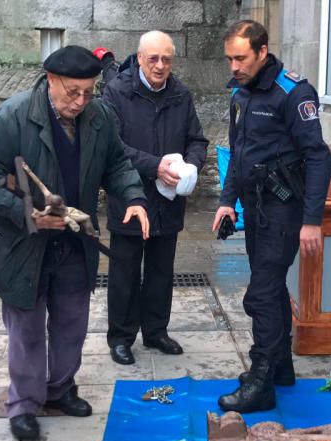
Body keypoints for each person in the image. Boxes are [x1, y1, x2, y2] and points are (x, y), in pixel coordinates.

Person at [0, 45, 150, 441]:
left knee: (71, 323)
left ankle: (61, 389)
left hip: (72, 241)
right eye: (72, 92)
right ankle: (24, 404)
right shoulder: (14, 116)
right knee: (27, 329)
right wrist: (25, 212)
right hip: (23, 244)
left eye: (88, 92)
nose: (81, 101)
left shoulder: (97, 116)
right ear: (50, 81)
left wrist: (134, 198)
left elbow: (117, 163)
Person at [213, 20, 331, 413]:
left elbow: (318, 156)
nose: (234, 66)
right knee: (273, 287)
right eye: (230, 58)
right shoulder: (241, 94)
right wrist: (227, 201)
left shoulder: (292, 93)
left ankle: (261, 381)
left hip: (285, 210)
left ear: (263, 52)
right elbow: (238, 151)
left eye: (241, 58)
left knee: (260, 294)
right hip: (255, 207)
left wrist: (312, 221)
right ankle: (281, 366)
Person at [103, 30, 209, 365]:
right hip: (130, 199)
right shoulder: (116, 92)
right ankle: (121, 337)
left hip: (168, 201)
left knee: (162, 271)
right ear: (140, 58)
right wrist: (155, 166)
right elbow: (111, 146)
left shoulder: (181, 93)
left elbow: (197, 140)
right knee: (125, 272)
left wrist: (190, 166)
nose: (160, 66)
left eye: (166, 59)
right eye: (153, 59)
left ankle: (156, 331)